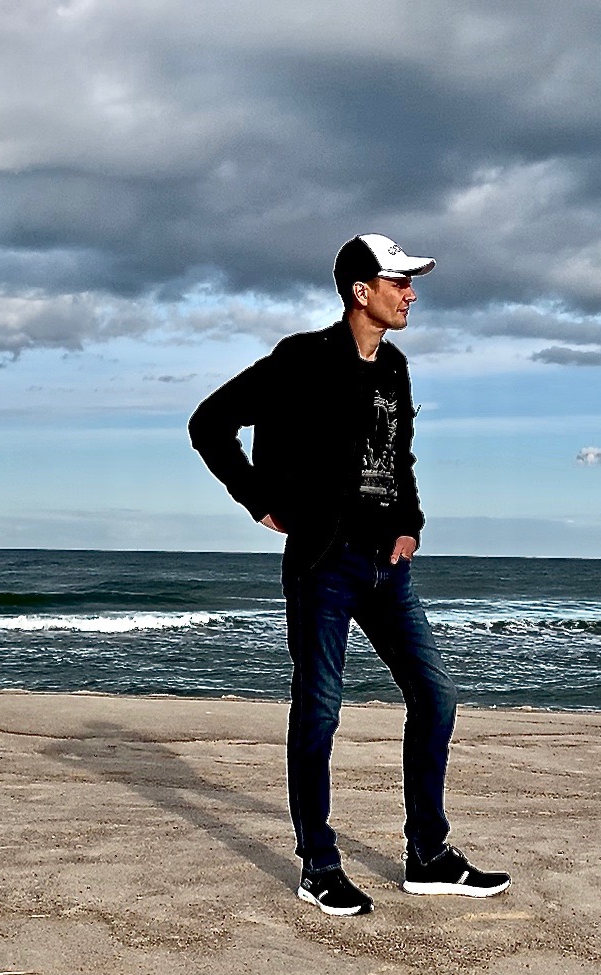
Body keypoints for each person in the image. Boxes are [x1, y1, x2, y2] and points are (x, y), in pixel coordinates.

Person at [189, 233, 510, 916]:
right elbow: (210, 423)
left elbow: (399, 457)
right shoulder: (301, 360)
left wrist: (409, 523)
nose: (411, 294)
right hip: (324, 564)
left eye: (410, 282)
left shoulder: (393, 367)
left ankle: (428, 856)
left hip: (386, 567)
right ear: (361, 292)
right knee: (321, 709)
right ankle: (319, 866)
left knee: (437, 695)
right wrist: (258, 499)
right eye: (399, 282)